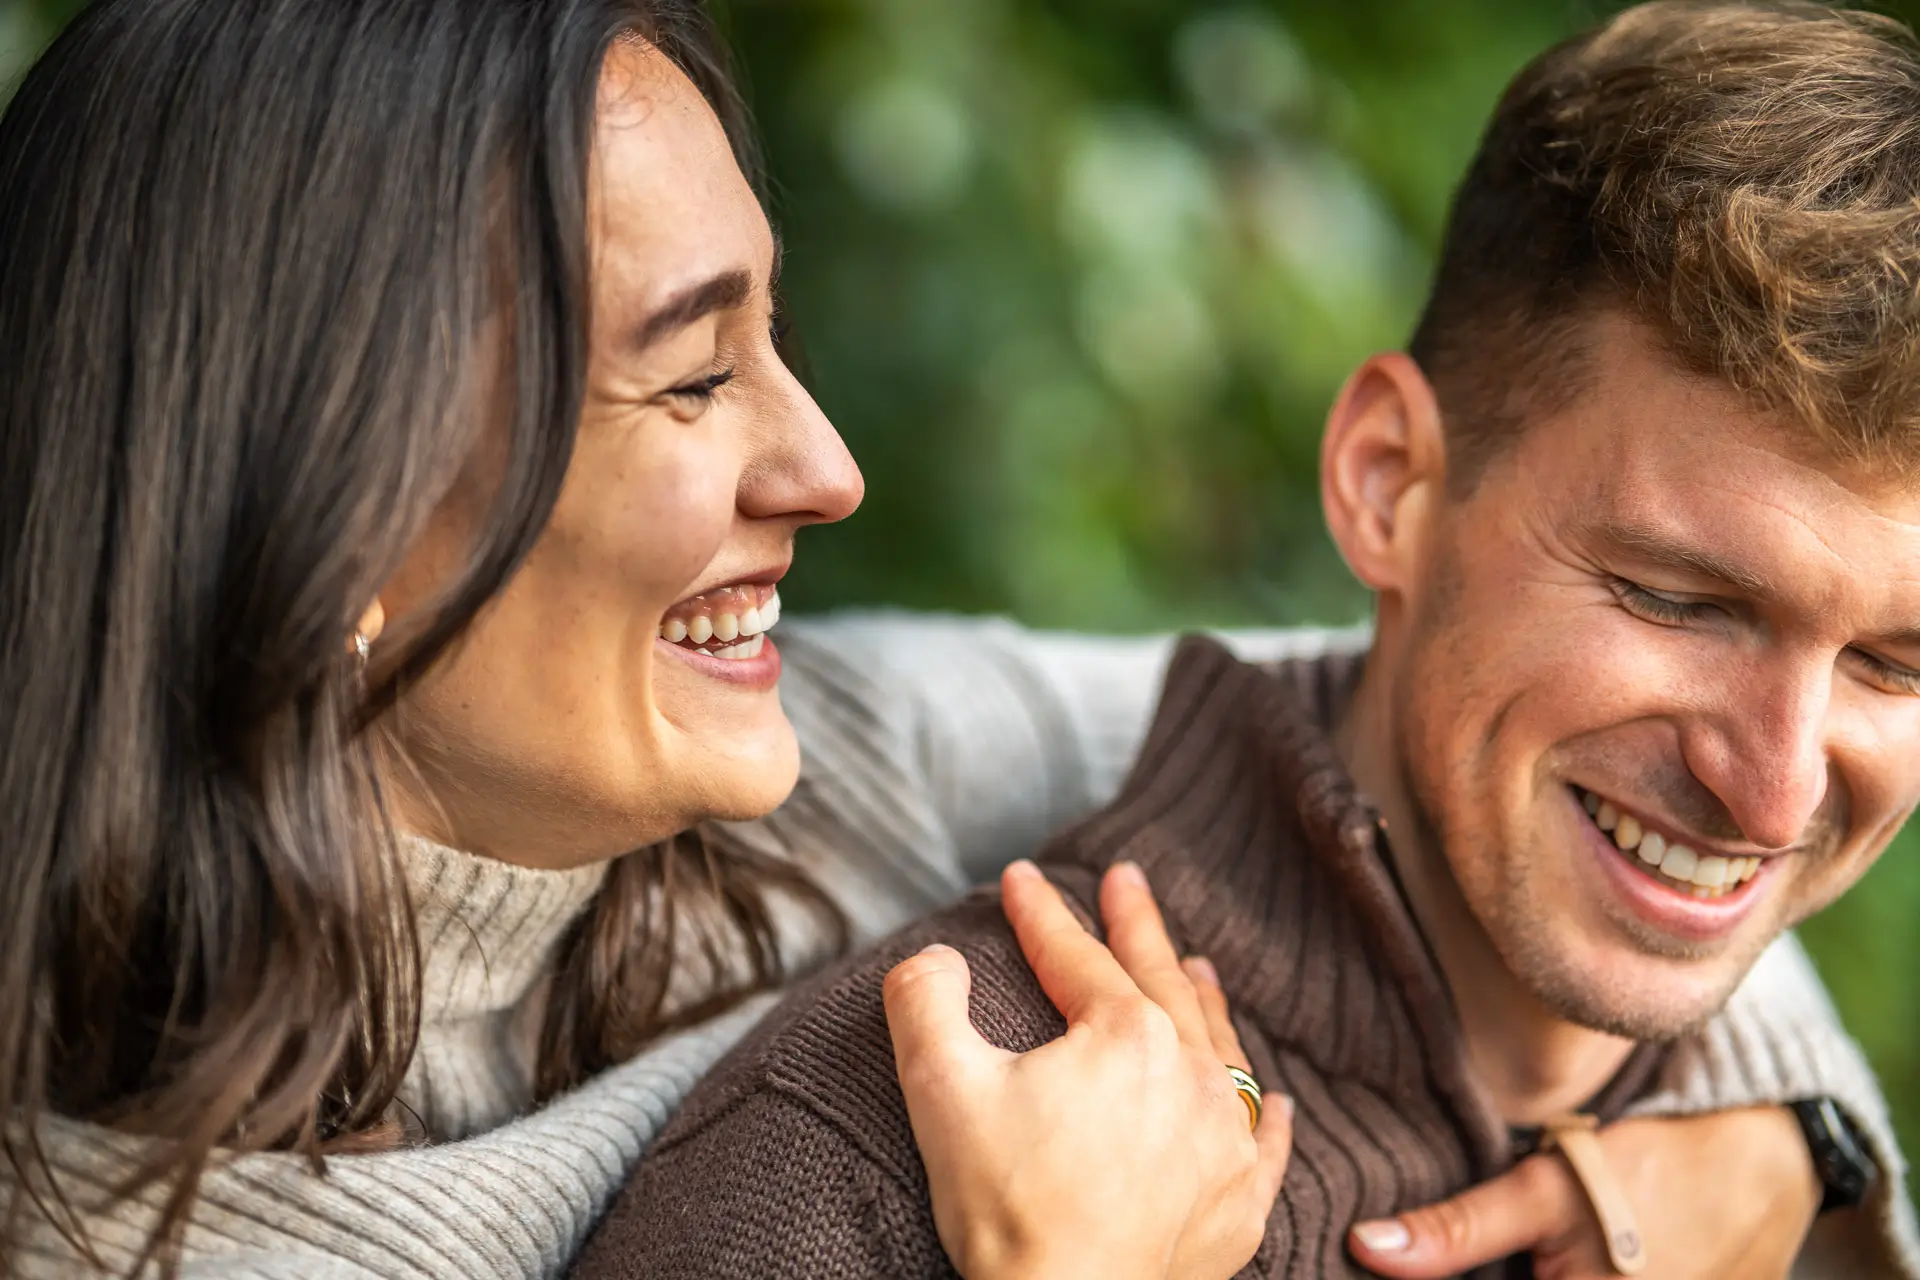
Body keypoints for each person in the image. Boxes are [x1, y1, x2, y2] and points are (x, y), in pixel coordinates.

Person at [0, 1, 1891, 1278]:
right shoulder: (141, 1238)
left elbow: (1494, 735)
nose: (829, 465)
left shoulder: (874, 757)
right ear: (334, 510)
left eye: (775, 335)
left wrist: (1788, 1143)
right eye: (691, 374)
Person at [572, 3, 1920, 1278]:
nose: (1776, 795)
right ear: (1389, 483)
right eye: (1677, 599)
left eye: (1897, 662)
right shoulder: (899, 1135)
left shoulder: (1786, 1207)